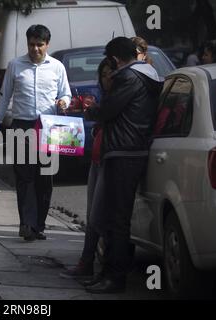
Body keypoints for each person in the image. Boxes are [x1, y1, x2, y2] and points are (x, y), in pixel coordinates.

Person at [83, 37, 163, 293]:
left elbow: (108, 110)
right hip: (132, 150)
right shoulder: (149, 76)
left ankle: (114, 278)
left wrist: (91, 110)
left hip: (122, 151)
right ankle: (107, 272)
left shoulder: (128, 78)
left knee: (116, 219)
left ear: (115, 59)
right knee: (114, 217)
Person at [0, 24, 71, 241]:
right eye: (31, 44)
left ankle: (39, 225)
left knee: (45, 178)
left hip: (49, 128)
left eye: (40, 45)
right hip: (22, 127)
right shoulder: (15, 65)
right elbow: (5, 96)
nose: (35, 48)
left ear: (47, 44)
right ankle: (26, 224)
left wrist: (64, 102)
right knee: (24, 177)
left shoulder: (57, 67)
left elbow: (66, 93)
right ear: (27, 44)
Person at [59, 58, 113, 281]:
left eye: (111, 73)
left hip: (112, 161)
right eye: (104, 74)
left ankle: (104, 269)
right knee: (93, 216)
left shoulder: (121, 97)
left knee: (103, 217)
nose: (107, 78)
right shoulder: (105, 97)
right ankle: (88, 262)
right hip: (97, 159)